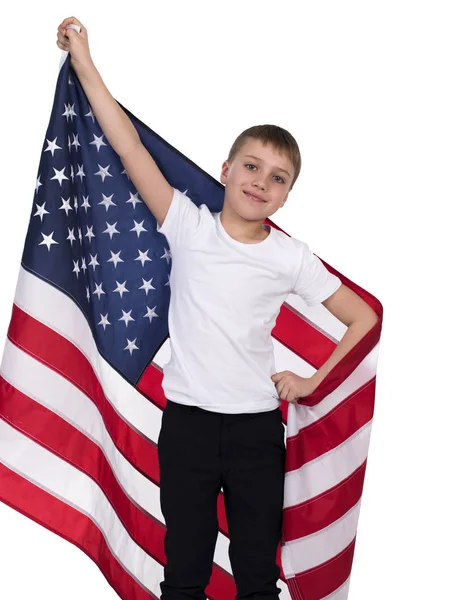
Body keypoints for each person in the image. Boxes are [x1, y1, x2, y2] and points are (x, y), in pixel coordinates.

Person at [56, 16, 379, 600]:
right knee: (185, 573)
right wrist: (84, 60)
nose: (261, 182)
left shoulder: (290, 258)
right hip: (187, 428)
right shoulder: (187, 225)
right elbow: (127, 143)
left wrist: (312, 382)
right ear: (226, 171)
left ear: (286, 195)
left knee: (257, 573)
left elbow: (363, 318)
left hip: (257, 431)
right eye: (251, 167)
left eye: (277, 178)